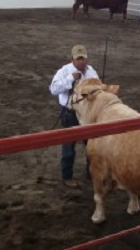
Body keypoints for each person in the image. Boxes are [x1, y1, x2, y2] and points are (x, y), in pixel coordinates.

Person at [49, 45, 99, 188]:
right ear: (72, 59)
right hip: (70, 113)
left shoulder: (91, 72)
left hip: (87, 113)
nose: (81, 62)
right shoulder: (64, 71)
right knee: (69, 146)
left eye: (83, 58)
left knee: (91, 145)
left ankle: (91, 172)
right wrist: (70, 79)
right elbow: (53, 89)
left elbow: (97, 86)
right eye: (78, 59)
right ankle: (67, 176)